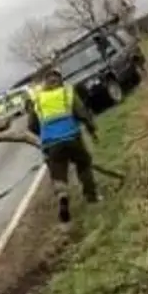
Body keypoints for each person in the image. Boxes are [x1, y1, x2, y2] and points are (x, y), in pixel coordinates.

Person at [26, 67, 100, 224]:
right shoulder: (67, 92)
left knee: (58, 173)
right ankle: (92, 197)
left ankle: (63, 197)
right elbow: (82, 113)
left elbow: (31, 125)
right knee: (84, 164)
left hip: (52, 144)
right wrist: (92, 130)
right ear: (60, 78)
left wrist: (45, 135)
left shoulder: (38, 98)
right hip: (73, 137)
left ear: (44, 81)